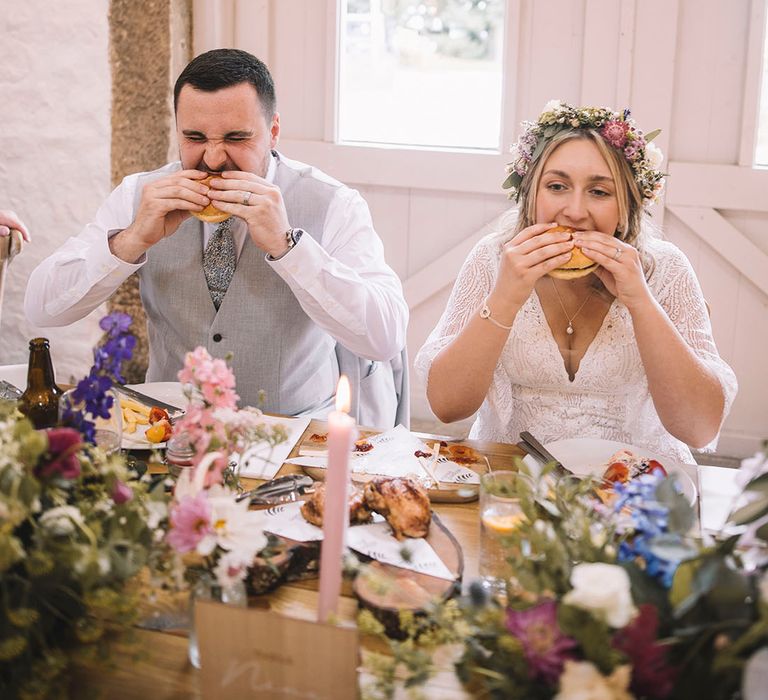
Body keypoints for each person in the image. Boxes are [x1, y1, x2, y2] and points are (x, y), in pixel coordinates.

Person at [24, 49, 409, 426]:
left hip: (293, 437)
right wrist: (130, 241)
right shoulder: (138, 195)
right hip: (168, 435)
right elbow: (43, 308)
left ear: (273, 131)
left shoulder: (333, 203)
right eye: (194, 137)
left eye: (235, 138)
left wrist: (288, 247)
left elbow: (386, 337)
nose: (211, 159)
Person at [414, 100, 737, 463]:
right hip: (512, 478)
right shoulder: (493, 259)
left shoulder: (666, 268)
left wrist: (641, 303)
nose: (575, 211)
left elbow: (699, 428)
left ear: (626, 206)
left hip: (636, 484)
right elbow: (447, 406)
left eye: (599, 192)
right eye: (556, 186)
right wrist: (505, 297)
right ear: (531, 194)